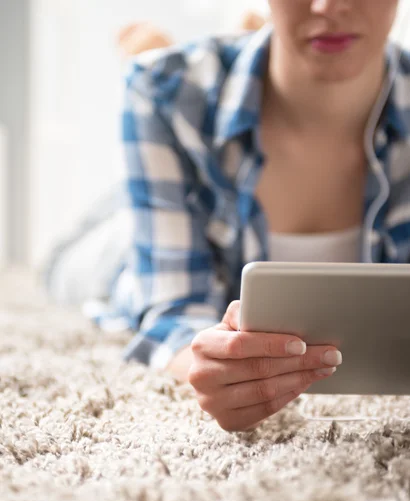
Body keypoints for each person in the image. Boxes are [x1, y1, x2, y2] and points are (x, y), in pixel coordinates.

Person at [45, 0, 410, 432]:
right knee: (76, 269)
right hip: (124, 243)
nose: (329, 5)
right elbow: (171, 312)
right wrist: (203, 363)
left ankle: (237, 40)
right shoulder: (161, 89)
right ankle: (161, 60)